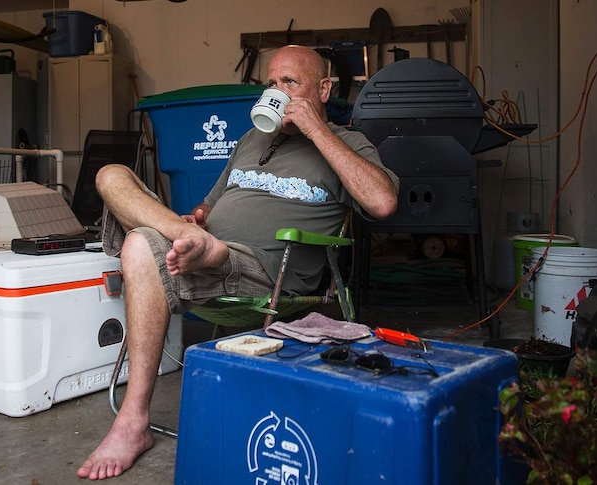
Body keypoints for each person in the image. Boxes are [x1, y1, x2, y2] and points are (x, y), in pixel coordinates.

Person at [77, 45, 399, 480]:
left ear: (323, 89)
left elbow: (382, 203)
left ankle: (132, 422)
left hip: (264, 272)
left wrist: (317, 130)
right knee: (110, 175)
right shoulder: (252, 140)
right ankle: (188, 238)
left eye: (290, 83)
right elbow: (209, 208)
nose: (277, 92)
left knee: (138, 245)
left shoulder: (348, 143)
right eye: (271, 83)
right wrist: (193, 224)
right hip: (201, 249)